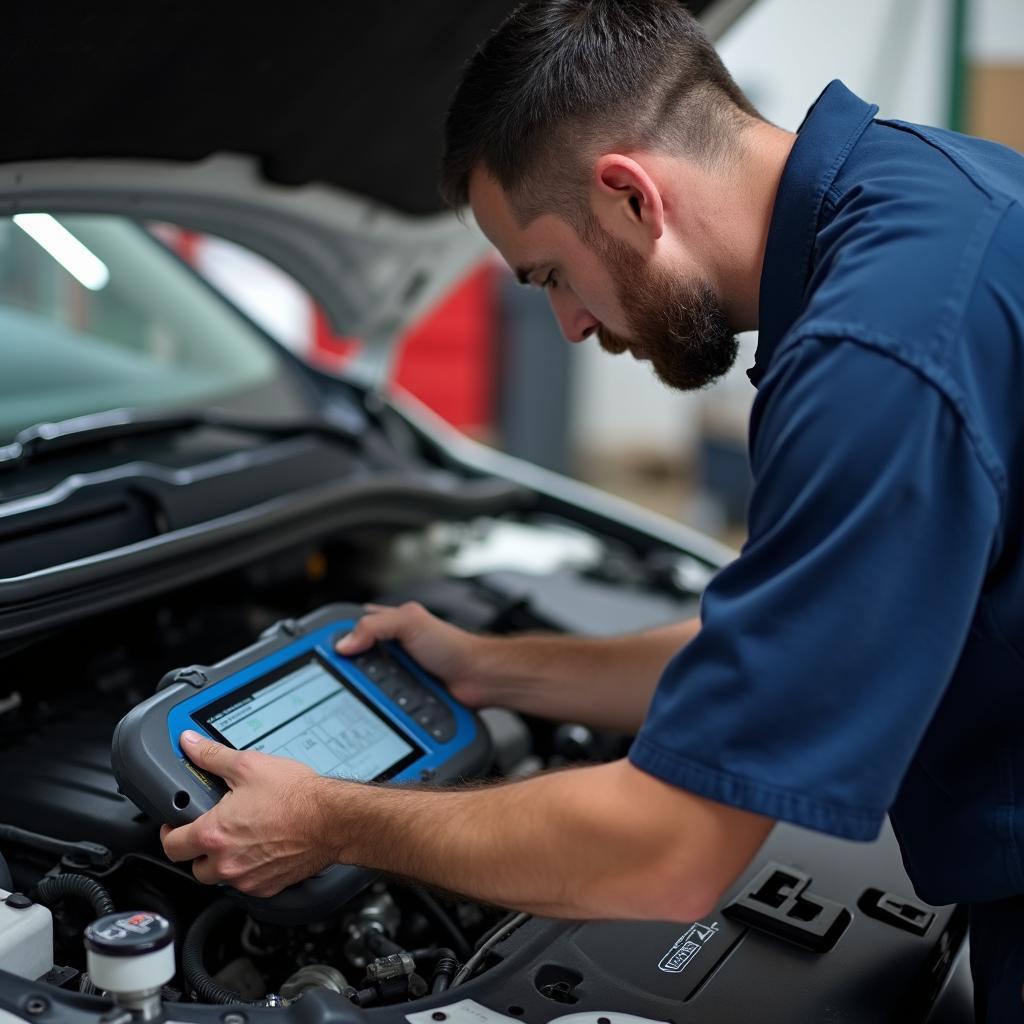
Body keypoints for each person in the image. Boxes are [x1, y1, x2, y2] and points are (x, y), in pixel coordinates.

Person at [161, 1, 1024, 1017]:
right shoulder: (929, 188)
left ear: (628, 196)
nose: (569, 324)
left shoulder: (872, 360)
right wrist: (490, 669)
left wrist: (332, 820)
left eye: (551, 276)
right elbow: (779, 654)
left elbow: (672, 852)